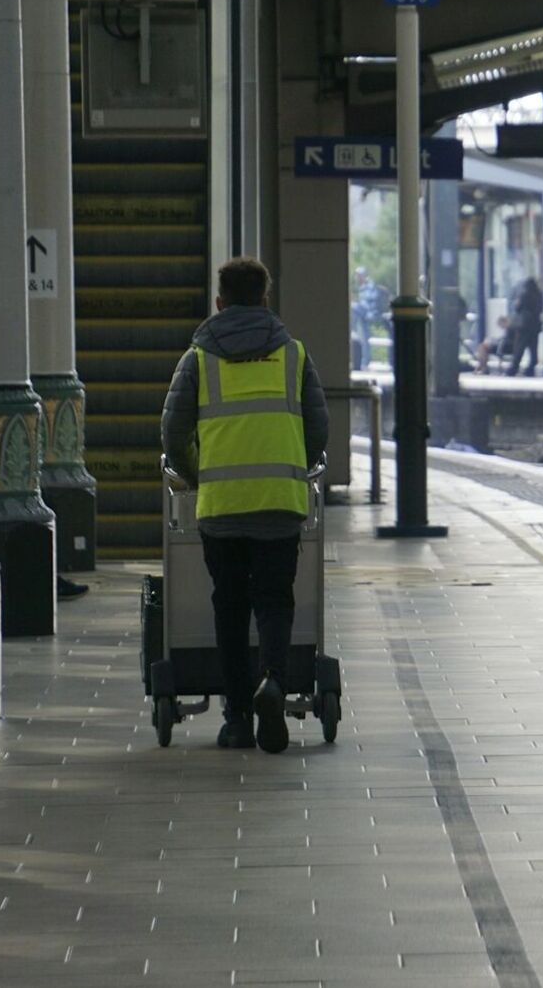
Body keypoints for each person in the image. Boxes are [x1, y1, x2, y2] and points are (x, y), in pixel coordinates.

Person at [161, 257, 329, 753]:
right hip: (280, 500)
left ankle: (236, 720)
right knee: (275, 600)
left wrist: (199, 474)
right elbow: (319, 428)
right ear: (264, 300)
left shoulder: (197, 359)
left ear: (219, 302)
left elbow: (172, 432)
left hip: (222, 505)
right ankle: (273, 682)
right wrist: (294, 466)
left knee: (230, 607)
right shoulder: (295, 356)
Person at [512, 277, 543, 376]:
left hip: (524, 325)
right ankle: (531, 369)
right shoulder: (539, 296)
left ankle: (513, 368)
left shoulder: (524, 294)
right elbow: (541, 309)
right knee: (533, 348)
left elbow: (518, 308)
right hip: (535, 326)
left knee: (519, 348)